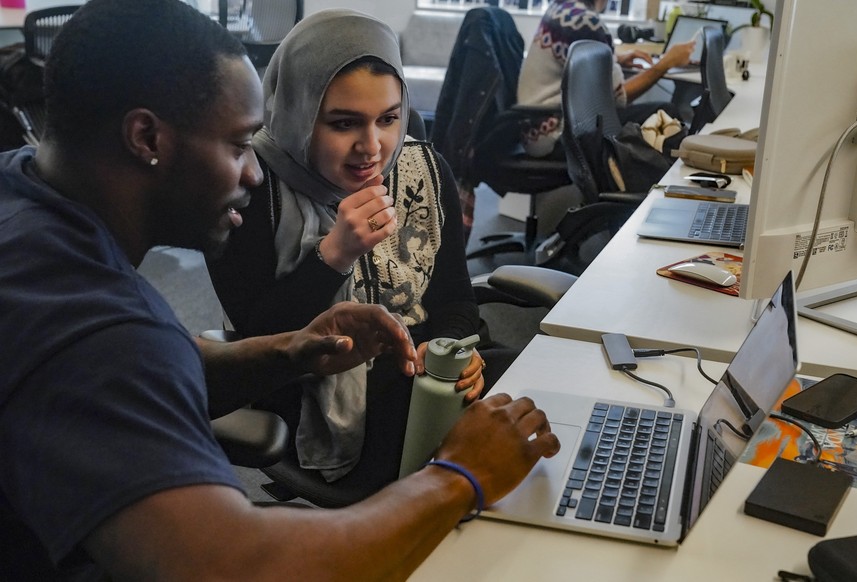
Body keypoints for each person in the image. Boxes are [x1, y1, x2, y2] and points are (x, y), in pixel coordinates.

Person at [0, 1, 560, 580]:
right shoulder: (93, 333)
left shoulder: (24, 194)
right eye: (240, 145)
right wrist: (460, 478)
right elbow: (234, 565)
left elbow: (163, 365)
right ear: (146, 137)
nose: (252, 173)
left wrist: (288, 351)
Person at [206, 9, 519, 503]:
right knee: (470, 465)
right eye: (344, 123)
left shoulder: (423, 168)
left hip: (418, 373)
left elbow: (456, 301)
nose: (372, 147)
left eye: (389, 119)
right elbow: (258, 342)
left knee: (520, 384)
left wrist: (452, 352)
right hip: (311, 391)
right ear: (299, 111)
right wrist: (333, 254)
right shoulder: (250, 187)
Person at [517, 0, 696, 157]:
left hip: (535, 129)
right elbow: (618, 100)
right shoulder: (587, 22)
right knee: (664, 113)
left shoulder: (562, 9)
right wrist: (665, 64)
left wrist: (614, 58)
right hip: (553, 132)